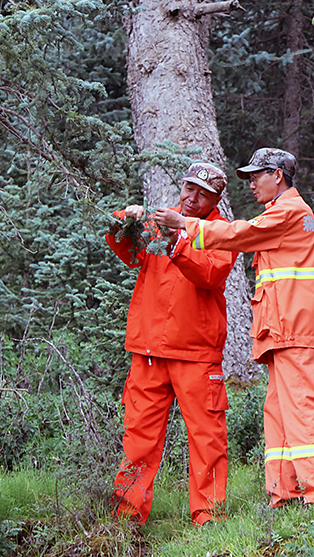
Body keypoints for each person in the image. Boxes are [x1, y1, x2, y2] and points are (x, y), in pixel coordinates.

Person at [154, 148, 314, 508]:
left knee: (301, 408)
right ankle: (283, 494)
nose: (251, 185)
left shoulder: (289, 212)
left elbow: (241, 234)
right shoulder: (283, 212)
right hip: (284, 332)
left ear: (277, 176)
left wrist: (186, 225)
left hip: (296, 330)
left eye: (256, 177)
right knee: (278, 412)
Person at [106, 162, 237, 526]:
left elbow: (210, 274)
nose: (193, 198)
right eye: (189, 189)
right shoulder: (159, 220)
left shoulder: (221, 232)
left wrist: (177, 240)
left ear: (216, 199)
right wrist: (124, 220)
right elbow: (128, 251)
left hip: (197, 353)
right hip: (148, 351)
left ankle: (209, 518)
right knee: (139, 438)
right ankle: (127, 518)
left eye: (203, 194)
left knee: (207, 439)